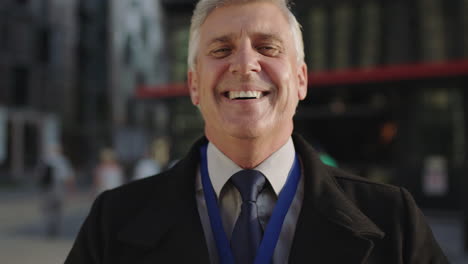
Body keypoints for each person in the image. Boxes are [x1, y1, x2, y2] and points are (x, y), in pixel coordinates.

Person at [65, 0, 448, 263]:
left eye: (267, 47)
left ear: (301, 80)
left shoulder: (394, 219)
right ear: (194, 86)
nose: (246, 64)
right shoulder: (112, 221)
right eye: (220, 50)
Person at [37, 144, 74, 238]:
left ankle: (49, 228)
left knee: (47, 209)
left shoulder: (44, 160)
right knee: (58, 209)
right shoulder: (62, 160)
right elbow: (67, 176)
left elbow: (38, 175)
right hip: (58, 186)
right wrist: (71, 189)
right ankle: (55, 229)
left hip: (46, 188)